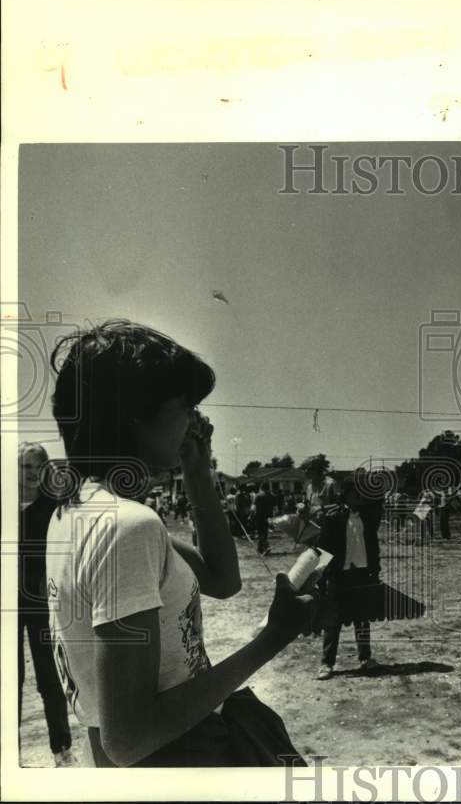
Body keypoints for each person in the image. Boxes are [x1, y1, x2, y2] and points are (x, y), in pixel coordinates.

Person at [45, 320, 314, 767]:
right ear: (136, 414)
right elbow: (128, 739)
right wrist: (274, 637)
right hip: (175, 759)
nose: (194, 420)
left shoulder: (76, 511)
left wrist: (195, 466)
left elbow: (222, 579)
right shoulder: (126, 526)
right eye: (186, 406)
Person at [18, 442, 76, 767]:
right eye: (24, 467)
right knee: (11, 677)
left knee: (49, 676)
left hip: (41, 601)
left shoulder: (53, 508)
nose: (29, 473)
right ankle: (11, 756)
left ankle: (62, 749)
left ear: (44, 471)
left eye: (34, 467)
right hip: (10, 602)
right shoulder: (8, 506)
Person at [307, 469, 382, 679]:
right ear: (347, 494)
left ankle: (365, 658)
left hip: (361, 572)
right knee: (333, 619)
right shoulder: (334, 517)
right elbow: (324, 548)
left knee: (362, 617)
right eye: (357, 493)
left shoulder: (368, 518)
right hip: (339, 574)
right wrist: (322, 575)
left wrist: (374, 571)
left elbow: (373, 546)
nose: (361, 498)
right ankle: (327, 663)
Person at [252, 483, 275, 555]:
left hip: (259, 516)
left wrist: (250, 515)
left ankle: (266, 546)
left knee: (260, 533)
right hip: (268, 517)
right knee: (265, 532)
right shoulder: (272, 496)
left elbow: (253, 508)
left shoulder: (258, 496)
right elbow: (275, 508)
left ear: (261, 488)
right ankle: (260, 548)